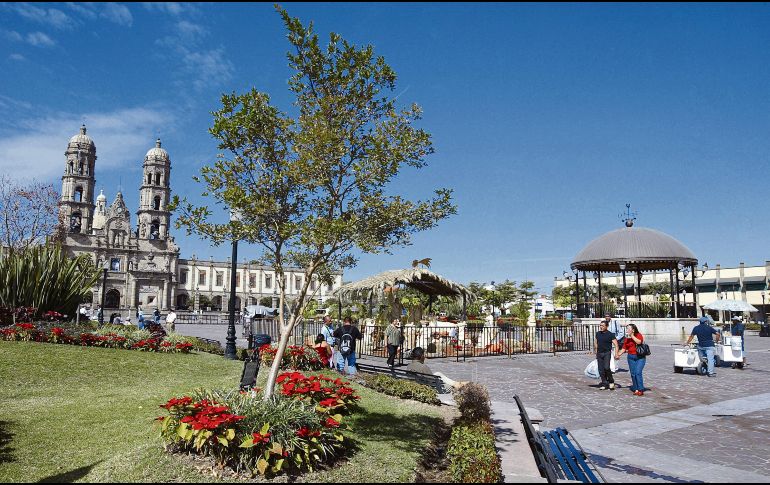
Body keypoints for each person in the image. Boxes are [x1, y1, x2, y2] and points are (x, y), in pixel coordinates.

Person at [616, 323, 646, 396]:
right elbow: (624, 349)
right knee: (633, 373)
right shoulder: (626, 339)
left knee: (638, 372)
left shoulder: (638, 335)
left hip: (640, 357)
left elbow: (639, 342)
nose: (627, 330)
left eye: (628, 328)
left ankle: (640, 389)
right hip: (631, 357)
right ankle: (636, 389)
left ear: (633, 330)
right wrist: (618, 354)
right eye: (627, 328)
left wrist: (632, 335)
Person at [595, 320, 619, 390]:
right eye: (600, 325)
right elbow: (595, 343)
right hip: (599, 353)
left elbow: (616, 345)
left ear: (607, 326)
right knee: (600, 369)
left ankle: (611, 381)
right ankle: (604, 383)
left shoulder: (610, 334)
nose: (601, 327)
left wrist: (616, 354)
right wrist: (596, 352)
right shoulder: (598, 333)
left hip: (607, 353)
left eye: (603, 326)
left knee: (606, 367)